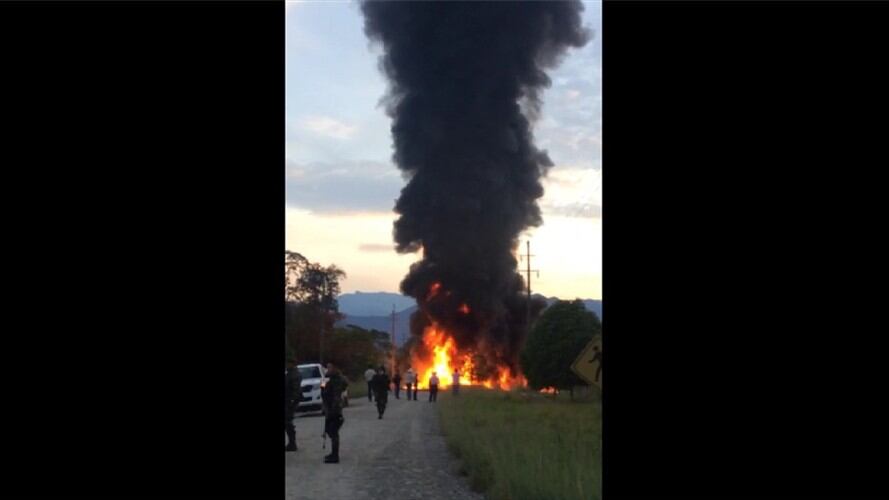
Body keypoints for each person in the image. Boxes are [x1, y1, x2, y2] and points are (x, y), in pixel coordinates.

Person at [322, 362, 348, 464]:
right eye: (327, 367)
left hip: (334, 409)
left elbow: (337, 396)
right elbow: (323, 388)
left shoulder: (337, 379)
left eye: (330, 367)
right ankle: (333, 453)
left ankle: (335, 455)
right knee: (330, 431)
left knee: (333, 431)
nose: (327, 369)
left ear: (335, 368)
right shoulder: (328, 378)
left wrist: (333, 409)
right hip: (329, 407)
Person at [284, 358, 302, 452]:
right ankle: (291, 443)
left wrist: (292, 400)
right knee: (287, 422)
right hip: (288, 400)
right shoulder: (290, 373)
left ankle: (292, 443)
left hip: (290, 402)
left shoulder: (294, 374)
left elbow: (296, 389)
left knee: (288, 422)